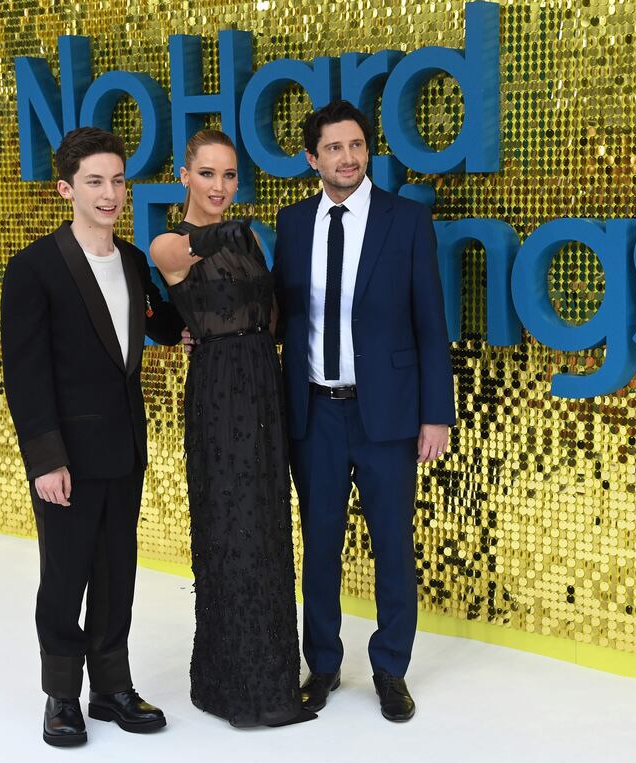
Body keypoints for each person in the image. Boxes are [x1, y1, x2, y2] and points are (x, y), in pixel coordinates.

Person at [272, 100, 456, 722]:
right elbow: (282, 316)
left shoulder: (406, 220)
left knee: (393, 545)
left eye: (356, 145)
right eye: (333, 148)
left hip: (389, 415)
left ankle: (390, 669)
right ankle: (322, 664)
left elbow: (431, 322)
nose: (346, 157)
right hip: (314, 413)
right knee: (319, 543)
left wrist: (437, 414)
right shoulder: (293, 223)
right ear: (311, 158)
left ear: (367, 150)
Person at [0, 127, 184, 747]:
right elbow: (25, 376)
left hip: (125, 448)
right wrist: (45, 459)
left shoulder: (132, 259)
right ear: (66, 189)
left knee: (117, 574)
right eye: (96, 182)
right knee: (64, 577)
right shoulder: (33, 269)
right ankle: (61, 696)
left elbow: (162, 327)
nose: (110, 194)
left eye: (118, 180)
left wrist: (190, 269)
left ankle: (111, 688)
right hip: (67, 460)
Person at [149, 129, 313, 728]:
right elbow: (185, 253)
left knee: (267, 526)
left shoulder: (250, 242)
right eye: (208, 174)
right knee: (230, 527)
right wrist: (240, 230)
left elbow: (269, 317)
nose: (220, 187)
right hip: (218, 391)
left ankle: (270, 679)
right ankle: (235, 689)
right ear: (184, 176)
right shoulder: (170, 242)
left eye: (229, 176)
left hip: (261, 384)